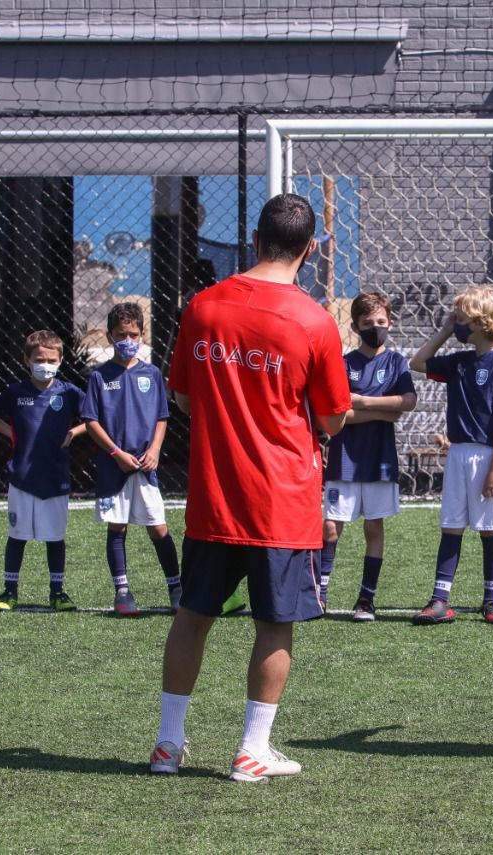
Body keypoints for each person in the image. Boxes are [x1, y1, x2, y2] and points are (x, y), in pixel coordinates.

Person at [150, 193, 350, 782]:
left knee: (192, 615)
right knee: (274, 623)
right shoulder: (313, 320)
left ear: (255, 239)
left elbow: (183, 396)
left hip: (214, 495)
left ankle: (168, 744)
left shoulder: (203, 307)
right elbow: (334, 418)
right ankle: (251, 749)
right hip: (281, 501)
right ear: (309, 250)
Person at [410, 286, 493, 625]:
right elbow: (417, 363)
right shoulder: (459, 361)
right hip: (458, 455)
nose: (455, 322)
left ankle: (492, 600)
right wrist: (444, 330)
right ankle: (440, 600)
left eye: (460, 318)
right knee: (452, 526)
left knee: (490, 529)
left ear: (481, 322)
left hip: (490, 458)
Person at [319, 292, 417, 621]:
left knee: (374, 528)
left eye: (380, 322)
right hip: (344, 458)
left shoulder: (397, 362)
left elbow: (407, 402)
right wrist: (382, 409)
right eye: (367, 323)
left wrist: (359, 401)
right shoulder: (343, 363)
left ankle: (366, 600)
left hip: (379, 460)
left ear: (390, 323)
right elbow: (336, 415)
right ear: (355, 326)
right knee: (331, 528)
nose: (374, 328)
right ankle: (319, 593)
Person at [81, 303, 184, 617]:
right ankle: (122, 592)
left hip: (145, 466)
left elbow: (162, 417)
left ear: (142, 335)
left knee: (158, 527)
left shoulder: (151, 374)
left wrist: (154, 450)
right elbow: (91, 420)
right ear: (111, 337)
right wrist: (116, 453)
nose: (128, 339)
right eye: (121, 334)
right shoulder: (99, 377)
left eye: (134, 334)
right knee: (118, 527)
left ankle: (176, 588)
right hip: (115, 467)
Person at [0, 330, 86, 611]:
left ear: (61, 359)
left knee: (55, 537)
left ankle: (57, 592)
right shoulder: (15, 393)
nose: (45, 364)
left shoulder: (69, 392)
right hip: (22, 477)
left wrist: (74, 432)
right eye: (39, 359)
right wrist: (9, 432)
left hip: (56, 478)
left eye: (51, 359)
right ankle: (9, 591)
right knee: (18, 535)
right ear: (26, 360)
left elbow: (95, 418)